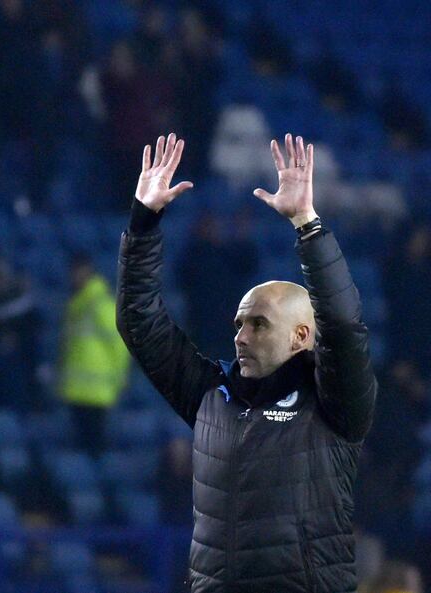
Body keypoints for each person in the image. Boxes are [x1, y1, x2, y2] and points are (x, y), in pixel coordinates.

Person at [116, 132, 377, 592]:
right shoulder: (212, 396)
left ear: (301, 336)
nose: (241, 336)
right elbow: (139, 323)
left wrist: (307, 224)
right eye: (239, 323)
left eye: (259, 324)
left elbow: (341, 323)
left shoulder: (334, 403)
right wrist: (143, 222)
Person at [59, 255, 130, 456]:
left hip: (96, 390)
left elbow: (119, 344)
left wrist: (119, 377)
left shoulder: (101, 305)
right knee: (81, 447)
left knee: (94, 446)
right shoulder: (75, 305)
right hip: (76, 388)